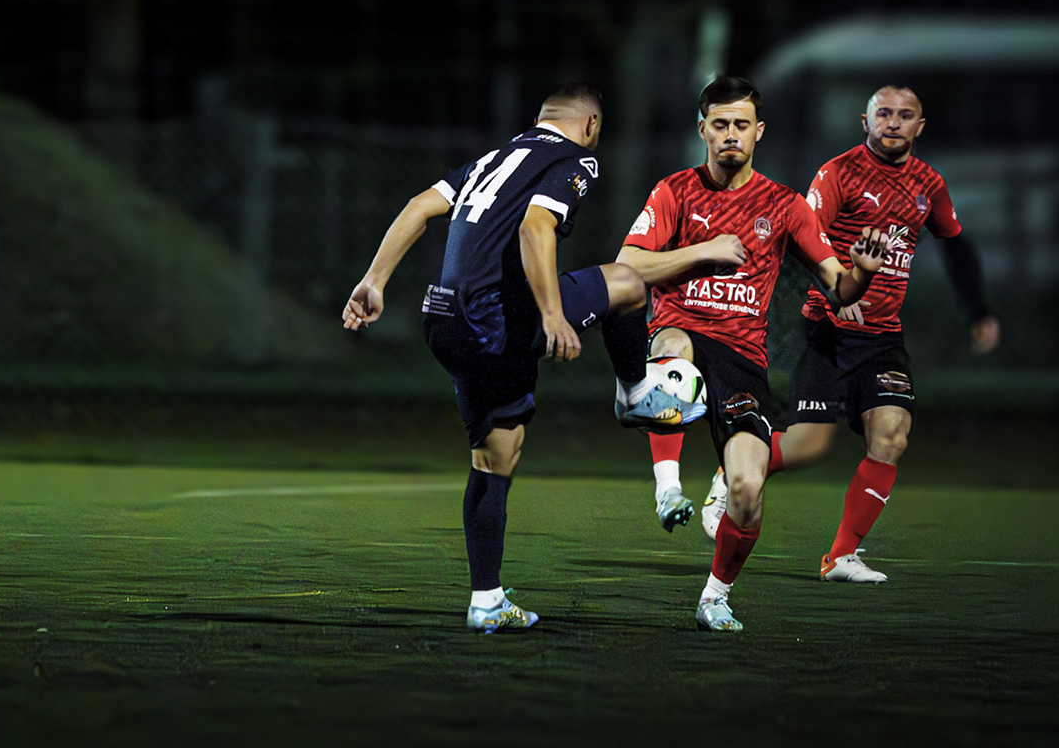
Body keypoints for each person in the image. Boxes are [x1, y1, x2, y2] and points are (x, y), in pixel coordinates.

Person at [342, 80, 719, 633]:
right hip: (497, 317)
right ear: (591, 125)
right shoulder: (575, 159)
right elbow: (534, 226)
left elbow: (419, 207)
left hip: (443, 319)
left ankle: (486, 599)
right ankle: (636, 394)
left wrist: (374, 281)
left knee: (498, 452)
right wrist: (551, 315)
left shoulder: (496, 157)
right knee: (629, 282)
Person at [694, 84, 1001, 584]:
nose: (894, 122)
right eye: (885, 113)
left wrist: (980, 311)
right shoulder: (839, 173)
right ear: (866, 121)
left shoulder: (929, 184)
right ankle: (730, 474)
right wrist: (840, 293)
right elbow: (804, 239)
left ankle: (840, 557)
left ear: (920, 127)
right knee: (810, 446)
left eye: (906, 115)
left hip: (883, 337)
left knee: (893, 434)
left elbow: (957, 245)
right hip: (828, 329)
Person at [616, 75, 886, 633]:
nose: (730, 134)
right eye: (719, 124)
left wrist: (861, 271)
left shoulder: (784, 205)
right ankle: (668, 490)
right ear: (702, 130)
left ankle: (715, 596)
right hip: (683, 332)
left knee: (746, 489)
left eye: (741, 124)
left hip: (743, 359)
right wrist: (704, 251)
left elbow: (838, 288)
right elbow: (627, 266)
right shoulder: (673, 192)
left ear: (758, 132)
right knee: (670, 348)